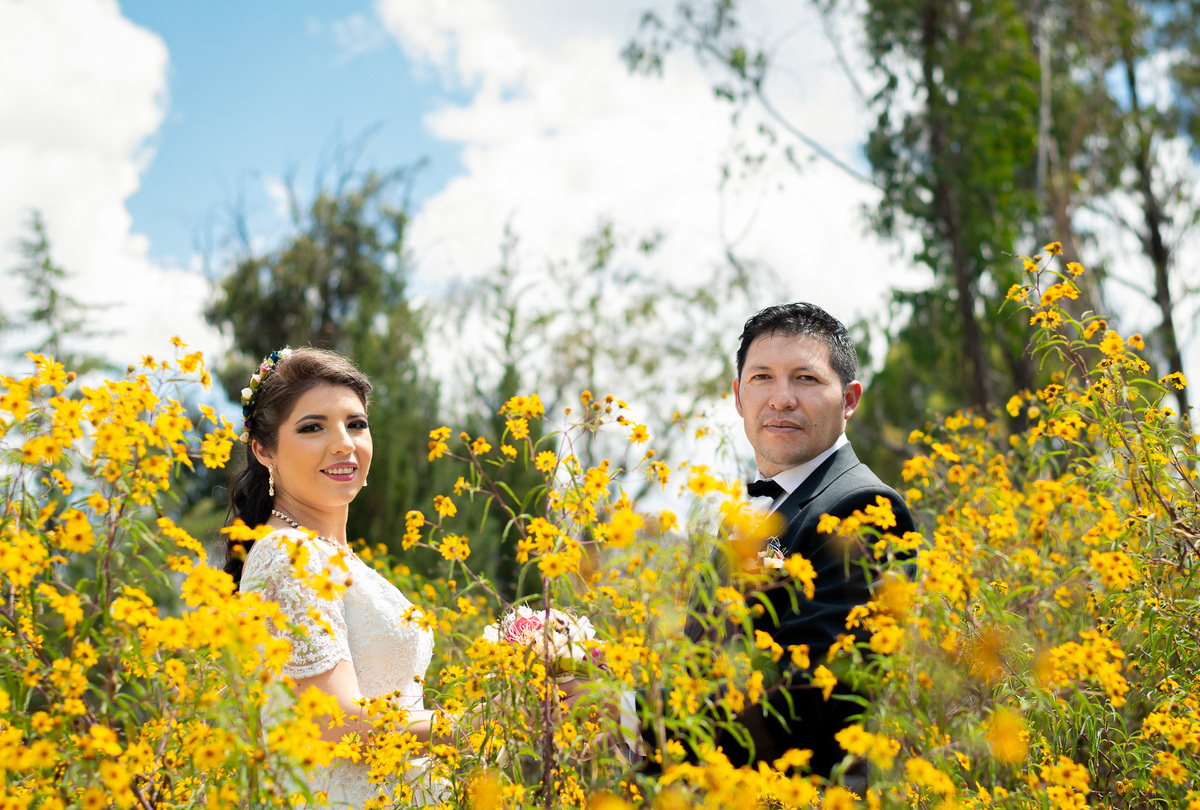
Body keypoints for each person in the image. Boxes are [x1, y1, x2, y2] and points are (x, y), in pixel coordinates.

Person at [679, 302, 916, 783]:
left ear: (849, 399)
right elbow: (698, 665)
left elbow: (807, 695)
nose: (781, 399)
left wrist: (636, 712)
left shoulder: (865, 507)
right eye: (762, 378)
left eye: (805, 379)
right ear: (738, 396)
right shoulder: (747, 516)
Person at [222, 347, 441, 807]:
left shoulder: (332, 556)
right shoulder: (287, 553)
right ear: (263, 450)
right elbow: (335, 722)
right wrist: (485, 722)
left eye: (355, 424)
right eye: (312, 427)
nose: (344, 443)